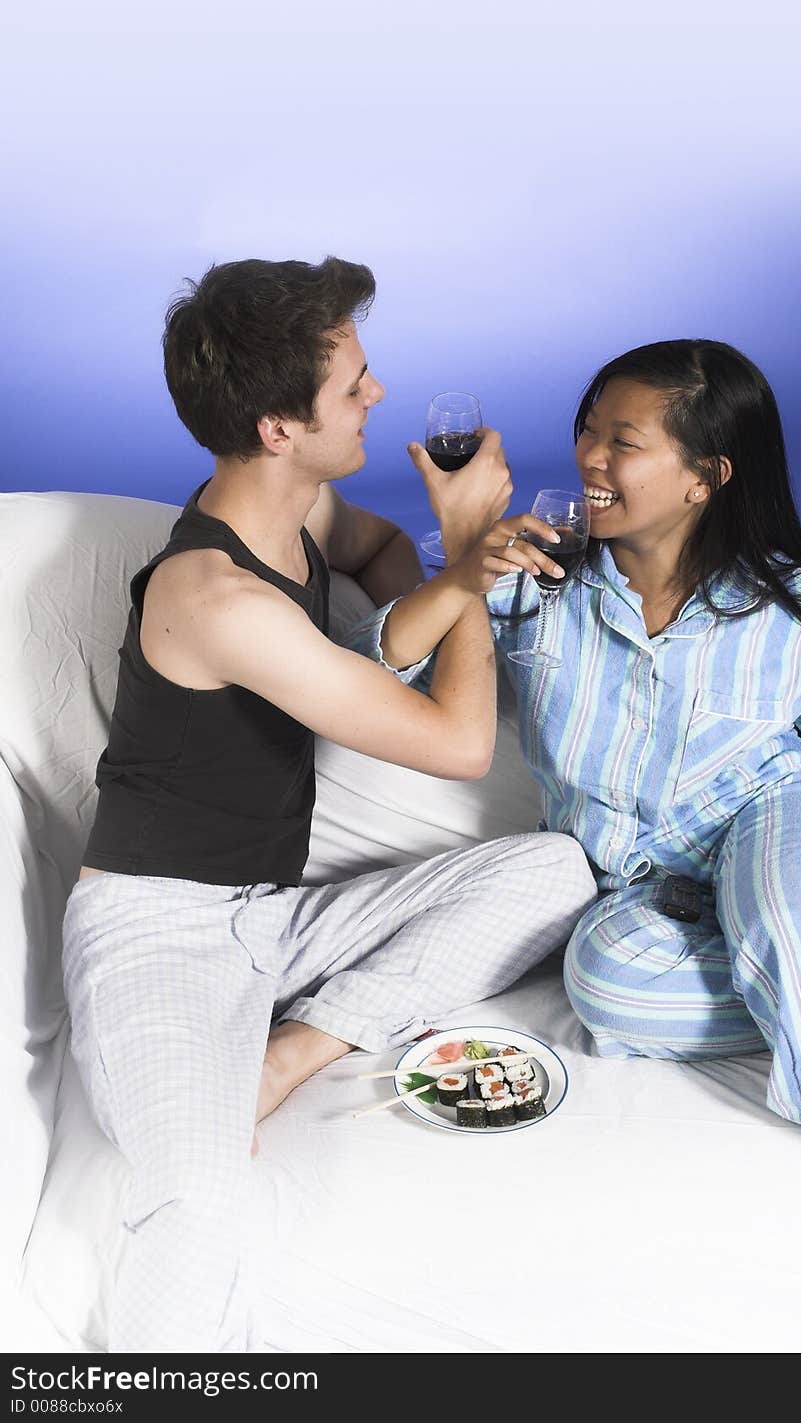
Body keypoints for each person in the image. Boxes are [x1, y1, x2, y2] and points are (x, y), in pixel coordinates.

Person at [61, 257, 592, 1352]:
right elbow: (456, 742)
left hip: (277, 912)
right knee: (200, 1205)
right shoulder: (217, 599)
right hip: (157, 937)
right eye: (353, 386)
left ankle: (289, 1055)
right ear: (275, 426)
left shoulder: (302, 504)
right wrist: (474, 567)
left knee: (554, 872)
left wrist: (437, 574)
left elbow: (381, 550)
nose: (378, 397)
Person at [350, 338, 801, 1197]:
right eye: (587, 430)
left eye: (622, 441)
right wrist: (462, 564)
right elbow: (371, 674)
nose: (589, 456)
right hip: (645, 891)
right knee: (605, 984)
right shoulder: (535, 584)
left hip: (776, 816)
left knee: (784, 910)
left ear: (704, 477)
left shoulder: (785, 612)